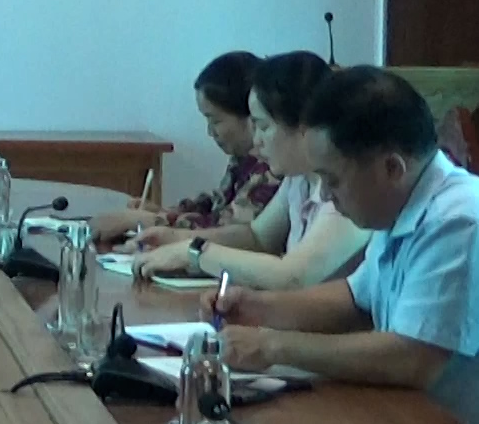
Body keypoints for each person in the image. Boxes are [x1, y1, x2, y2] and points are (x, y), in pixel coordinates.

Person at [206, 66, 479, 424]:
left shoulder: (463, 221)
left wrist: (274, 345)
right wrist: (259, 307)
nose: (326, 196)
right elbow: (356, 300)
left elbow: (412, 359)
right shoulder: (403, 203)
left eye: (333, 180)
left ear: (392, 168)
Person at [132, 51, 371, 289]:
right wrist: (176, 238)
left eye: (263, 127)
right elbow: (257, 237)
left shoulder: (345, 191)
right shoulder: (299, 179)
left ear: (302, 125)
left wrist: (193, 253)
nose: (256, 141)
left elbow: (293, 276)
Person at [91, 52, 280, 245]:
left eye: (215, 121)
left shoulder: (271, 168)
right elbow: (216, 208)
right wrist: (163, 213)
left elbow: (224, 231)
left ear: (250, 116)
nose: (210, 132)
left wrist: (144, 221)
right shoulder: (242, 160)